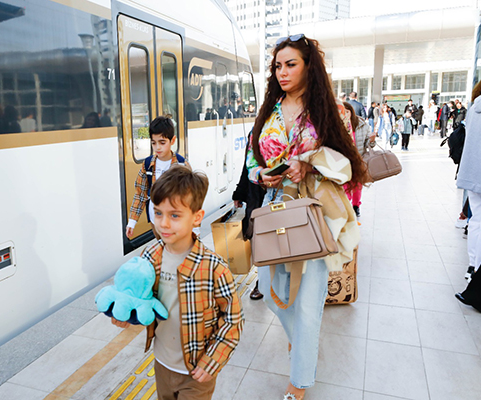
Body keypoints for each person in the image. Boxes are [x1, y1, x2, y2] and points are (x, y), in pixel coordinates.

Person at [246, 35, 368, 400]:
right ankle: (302, 341)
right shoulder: (270, 110)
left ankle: (299, 382)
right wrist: (260, 174)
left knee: (309, 300)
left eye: (291, 64)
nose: (282, 72)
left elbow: (348, 165)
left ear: (308, 66)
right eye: (277, 66)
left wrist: (310, 164)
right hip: (275, 207)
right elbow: (252, 160)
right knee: (271, 292)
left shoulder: (331, 110)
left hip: (315, 212)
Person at [112, 165, 244, 400]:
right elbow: (139, 298)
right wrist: (125, 314)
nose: (163, 223)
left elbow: (233, 320)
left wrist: (212, 361)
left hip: (197, 372)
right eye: (158, 213)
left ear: (197, 217)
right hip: (161, 363)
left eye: (174, 215)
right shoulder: (150, 257)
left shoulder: (214, 268)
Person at [456, 74, 481, 289]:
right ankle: (479, 272)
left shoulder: (475, 107)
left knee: (476, 221)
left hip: (472, 171)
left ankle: (472, 266)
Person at [126, 116, 189, 239]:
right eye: (153, 143)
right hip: (155, 221)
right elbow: (140, 194)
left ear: (172, 140)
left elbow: (190, 198)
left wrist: (195, 227)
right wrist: (132, 222)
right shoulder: (147, 165)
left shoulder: (182, 165)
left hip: (175, 221)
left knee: (174, 248)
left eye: (162, 142)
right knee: (162, 248)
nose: (157, 147)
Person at [232, 134, 267, 300]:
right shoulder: (256, 131)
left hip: (282, 194)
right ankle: (263, 281)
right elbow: (247, 166)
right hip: (257, 195)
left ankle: (278, 280)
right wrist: (239, 193)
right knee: (259, 240)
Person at [343, 101, 375, 216]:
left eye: (347, 111)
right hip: (343, 161)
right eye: (342, 112)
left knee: (357, 185)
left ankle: (356, 206)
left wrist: (372, 140)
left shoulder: (362, 125)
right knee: (345, 184)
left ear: (351, 111)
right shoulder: (338, 126)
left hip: (358, 160)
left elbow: (368, 145)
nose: (345, 114)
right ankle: (346, 205)